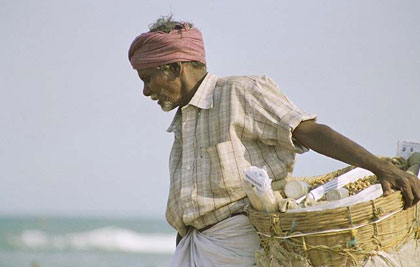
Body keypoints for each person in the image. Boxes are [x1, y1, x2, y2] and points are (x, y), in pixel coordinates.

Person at [128, 17, 420, 266]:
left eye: (148, 78)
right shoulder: (183, 119)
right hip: (196, 249)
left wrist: (381, 168)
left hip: (242, 248)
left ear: (176, 67)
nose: (145, 91)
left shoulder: (239, 92)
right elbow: (190, 206)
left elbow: (308, 131)